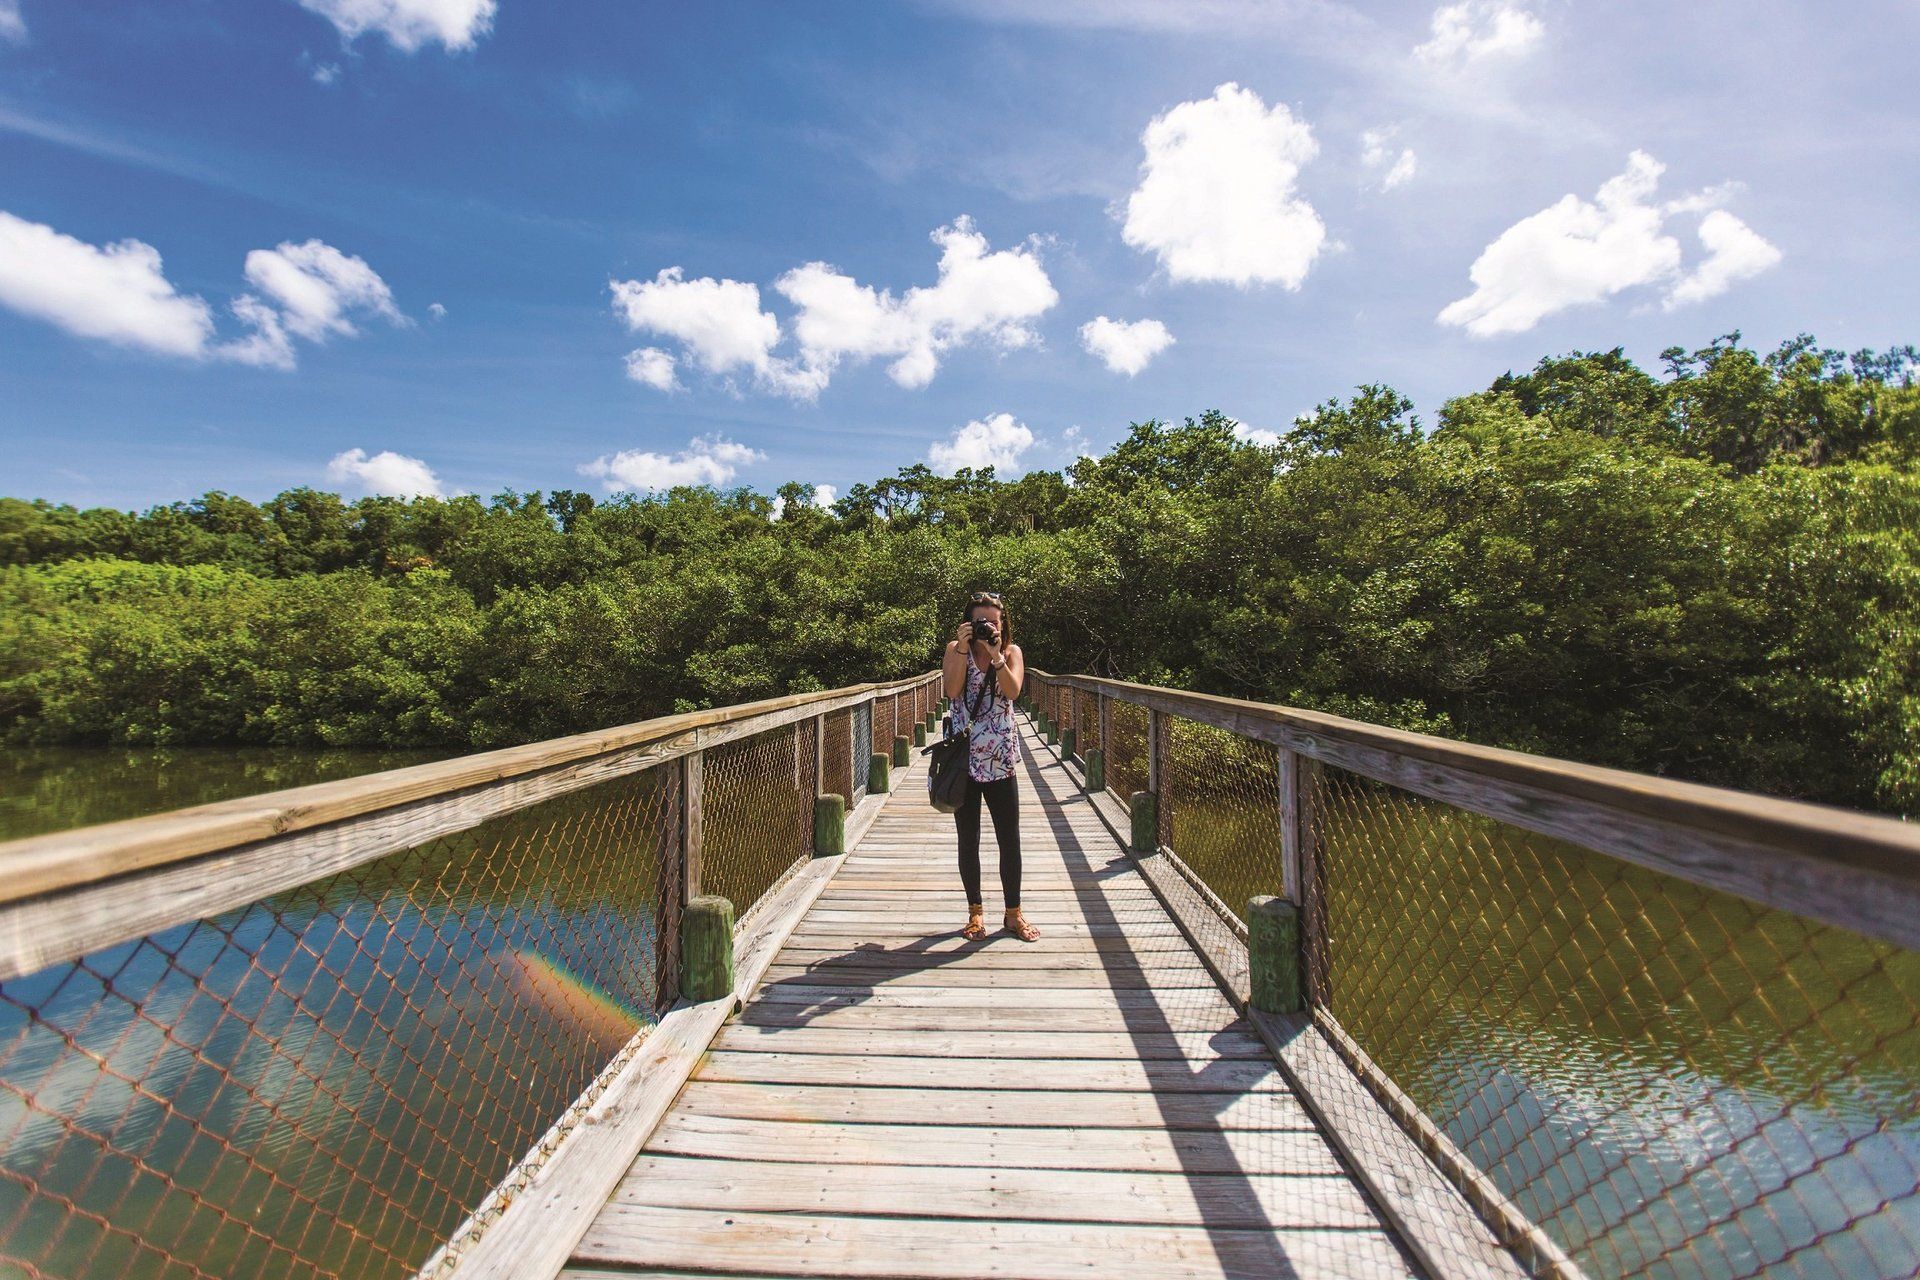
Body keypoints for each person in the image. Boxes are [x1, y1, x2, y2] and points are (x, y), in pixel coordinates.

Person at [942, 590, 1038, 942]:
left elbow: (1012, 692)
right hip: (964, 760)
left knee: (1009, 839)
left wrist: (997, 656)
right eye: (980, 621)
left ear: (1002, 624)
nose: (987, 627)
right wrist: (963, 648)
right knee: (968, 839)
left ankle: (1013, 914)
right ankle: (975, 913)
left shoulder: (1011, 653)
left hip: (1001, 758)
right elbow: (953, 690)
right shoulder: (955, 649)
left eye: (993, 622)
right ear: (968, 623)